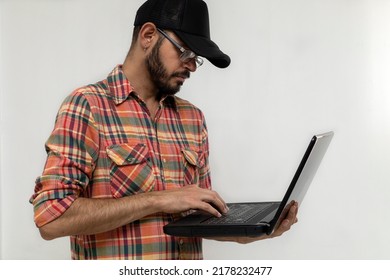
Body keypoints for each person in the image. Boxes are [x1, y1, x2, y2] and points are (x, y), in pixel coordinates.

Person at [30, 0, 298, 260]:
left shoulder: (192, 118)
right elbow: (51, 218)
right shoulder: (87, 106)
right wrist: (159, 200)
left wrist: (258, 229)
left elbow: (199, 218)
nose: (192, 66)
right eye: (185, 52)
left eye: (197, 58)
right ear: (148, 35)